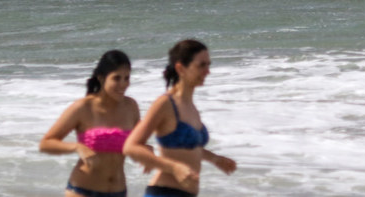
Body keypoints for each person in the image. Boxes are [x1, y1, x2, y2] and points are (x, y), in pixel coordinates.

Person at [124, 40, 237, 196]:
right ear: (180, 68)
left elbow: (188, 149)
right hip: (163, 192)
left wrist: (215, 159)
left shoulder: (191, 106)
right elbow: (131, 147)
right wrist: (173, 167)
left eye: (208, 65)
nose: (207, 71)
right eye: (201, 65)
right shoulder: (165, 103)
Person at [39, 50, 143, 197]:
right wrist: (77, 147)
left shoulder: (131, 106)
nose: (123, 84)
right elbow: (46, 143)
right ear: (101, 78)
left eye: (126, 78)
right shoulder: (83, 107)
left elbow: (137, 143)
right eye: (116, 78)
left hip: (119, 192)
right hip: (83, 191)